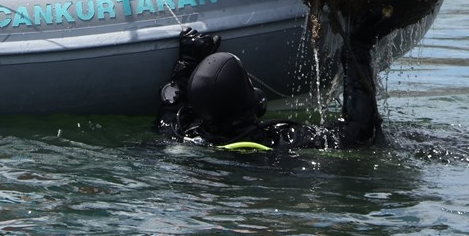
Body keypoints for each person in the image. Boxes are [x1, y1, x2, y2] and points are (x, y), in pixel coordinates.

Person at [156, 25, 383, 150]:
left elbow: (170, 110)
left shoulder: (189, 134)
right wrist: (357, 50)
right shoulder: (280, 141)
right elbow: (358, 131)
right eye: (246, 80)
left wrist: (186, 61)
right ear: (249, 98)